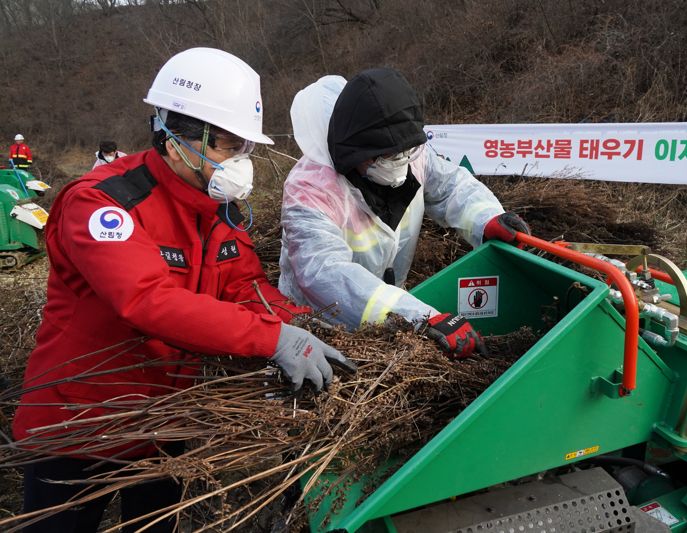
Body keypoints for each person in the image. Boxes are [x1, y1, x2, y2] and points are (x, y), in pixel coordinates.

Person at [13, 47, 355, 533]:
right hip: (78, 424)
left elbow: (247, 287)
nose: (239, 162)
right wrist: (270, 339)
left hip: (164, 423)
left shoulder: (216, 211)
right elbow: (148, 300)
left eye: (244, 148)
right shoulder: (102, 205)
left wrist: (304, 325)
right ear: (174, 141)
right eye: (226, 146)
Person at [279, 69, 530, 359]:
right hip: (322, 326)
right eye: (385, 156)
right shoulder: (310, 190)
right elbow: (326, 274)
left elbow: (450, 187)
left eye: (404, 152)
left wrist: (487, 219)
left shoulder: (410, 151)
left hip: (391, 305)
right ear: (353, 151)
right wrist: (419, 317)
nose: (399, 162)